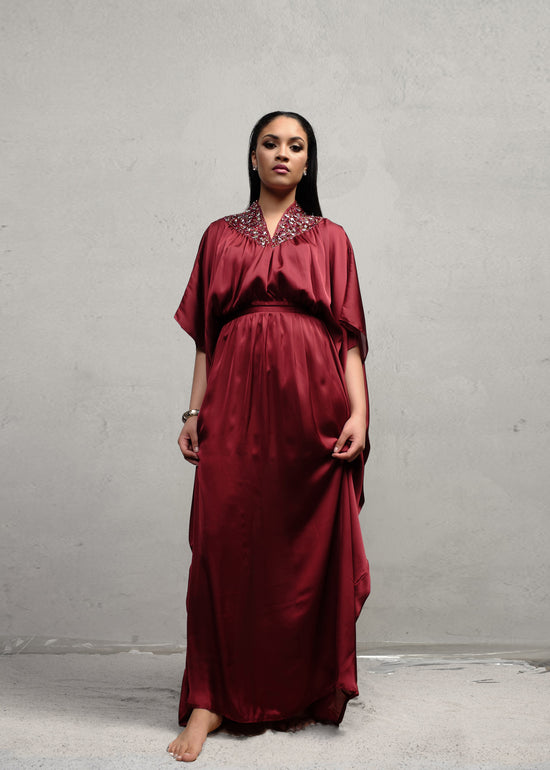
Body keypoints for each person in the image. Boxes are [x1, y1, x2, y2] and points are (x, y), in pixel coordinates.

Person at [167, 111, 371, 762]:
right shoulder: (219, 236)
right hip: (232, 400)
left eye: (296, 145)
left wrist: (360, 414)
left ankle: (300, 686)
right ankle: (209, 700)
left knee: (301, 553)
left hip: (312, 407)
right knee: (223, 544)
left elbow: (348, 338)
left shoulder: (331, 238)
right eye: (271, 143)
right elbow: (206, 338)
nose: (283, 153)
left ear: (308, 164)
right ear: (253, 156)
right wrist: (192, 412)